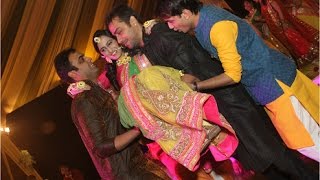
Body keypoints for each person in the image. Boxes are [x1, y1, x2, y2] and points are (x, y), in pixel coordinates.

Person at [106, 4, 318, 179]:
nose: (120, 40)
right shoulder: (151, 45)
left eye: (119, 32)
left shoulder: (162, 38)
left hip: (230, 105)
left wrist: (190, 88)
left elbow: (194, 75)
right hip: (223, 109)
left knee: (277, 157)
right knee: (270, 161)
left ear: (133, 21)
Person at [157, 0, 320, 168]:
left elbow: (233, 75)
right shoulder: (205, 15)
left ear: (185, 14)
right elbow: (252, 35)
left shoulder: (216, 28)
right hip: (277, 74)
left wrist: (197, 86)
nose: (170, 27)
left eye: (171, 21)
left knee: (305, 141)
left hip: (274, 85)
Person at [91, 29, 238, 177]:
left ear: (117, 39)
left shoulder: (139, 54)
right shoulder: (117, 76)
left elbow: (164, 72)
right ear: (103, 55)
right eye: (104, 49)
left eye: (110, 43)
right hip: (162, 124)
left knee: (215, 155)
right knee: (196, 165)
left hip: (177, 107)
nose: (110, 50)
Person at [54, 48, 169, 180]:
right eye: (82, 60)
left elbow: (117, 129)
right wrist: (138, 129)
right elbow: (101, 147)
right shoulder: (84, 100)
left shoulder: (93, 92)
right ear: (74, 74)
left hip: (138, 167)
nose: (89, 59)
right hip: (128, 174)